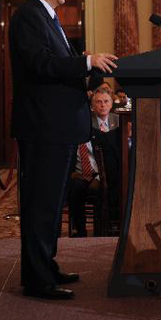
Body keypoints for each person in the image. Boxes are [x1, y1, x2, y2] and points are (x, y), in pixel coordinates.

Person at [9, 0, 117, 300]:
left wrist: (93, 70)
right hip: (44, 128)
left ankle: (46, 265)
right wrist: (85, 61)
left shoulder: (51, 17)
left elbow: (63, 68)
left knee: (53, 206)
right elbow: (40, 64)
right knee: (41, 205)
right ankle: (37, 280)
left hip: (58, 128)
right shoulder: (28, 15)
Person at [68, 89, 122, 238]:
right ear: (91, 106)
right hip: (80, 173)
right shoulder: (86, 124)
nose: (102, 105)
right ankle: (80, 230)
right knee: (75, 186)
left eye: (106, 102)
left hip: (103, 172)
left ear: (112, 104)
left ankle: (104, 226)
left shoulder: (119, 122)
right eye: (98, 102)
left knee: (110, 185)